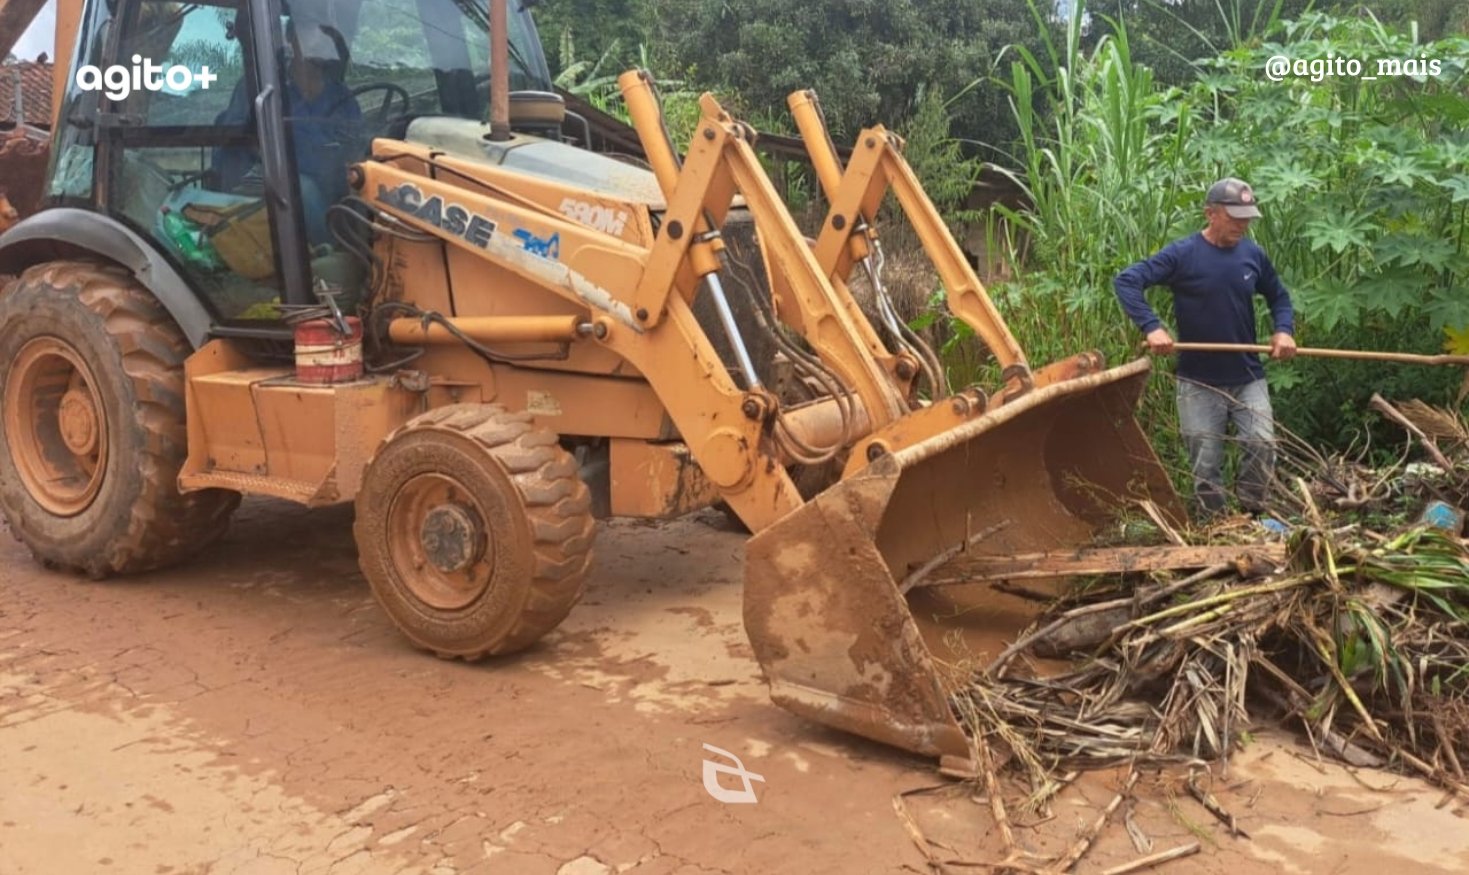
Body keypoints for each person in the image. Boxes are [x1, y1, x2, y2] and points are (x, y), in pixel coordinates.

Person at [1113, 177, 1298, 518]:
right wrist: (1152, 327)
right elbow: (1126, 281)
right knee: (1206, 458)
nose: (1243, 224)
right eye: (1235, 217)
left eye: (1247, 217)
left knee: (1261, 442)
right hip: (1198, 381)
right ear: (1211, 213)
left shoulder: (1252, 255)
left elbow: (1279, 296)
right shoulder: (1183, 254)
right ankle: (1214, 524)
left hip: (1247, 375)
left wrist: (1283, 331)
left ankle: (1253, 513)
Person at [212, 15, 361, 247]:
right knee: (303, 189)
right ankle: (333, 253)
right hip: (271, 179)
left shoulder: (342, 96)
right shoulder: (260, 88)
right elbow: (235, 142)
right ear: (292, 37)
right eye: (311, 30)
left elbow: (357, 145)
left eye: (325, 33)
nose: (320, 39)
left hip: (331, 178)